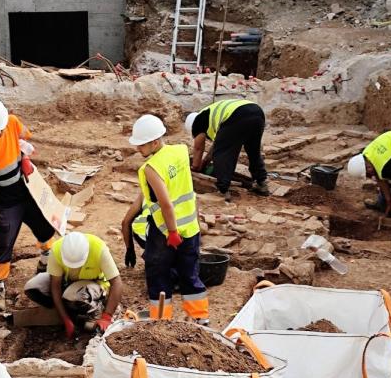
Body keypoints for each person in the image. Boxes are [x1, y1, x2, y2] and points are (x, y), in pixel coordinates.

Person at [0, 98, 56, 310]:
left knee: (43, 224)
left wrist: (25, 157)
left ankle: (46, 261)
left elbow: (26, 136)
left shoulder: (12, 122)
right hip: (4, 199)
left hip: (25, 189)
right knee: (5, 236)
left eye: (0, 129)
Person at [129, 114, 210, 324]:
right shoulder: (180, 151)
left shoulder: (151, 168)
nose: (138, 149)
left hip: (166, 231)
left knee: (158, 274)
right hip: (191, 227)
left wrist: (172, 232)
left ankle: (160, 322)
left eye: (142, 145)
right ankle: (200, 317)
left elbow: (165, 203)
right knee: (190, 272)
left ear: (154, 141)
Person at [23, 231, 124, 337]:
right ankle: (69, 310)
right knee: (33, 287)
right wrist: (65, 318)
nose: (74, 267)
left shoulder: (98, 248)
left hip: (95, 285)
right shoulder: (57, 249)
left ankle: (97, 311)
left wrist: (106, 317)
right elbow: (55, 286)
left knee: (73, 295)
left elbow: (117, 282)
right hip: (69, 283)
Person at [185, 99, 270, 197]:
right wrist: (205, 162)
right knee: (253, 150)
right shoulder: (210, 115)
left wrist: (195, 167)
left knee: (223, 154)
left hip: (237, 115)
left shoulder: (198, 122)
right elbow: (217, 145)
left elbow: (198, 148)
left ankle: (223, 190)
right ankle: (261, 183)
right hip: (257, 113)